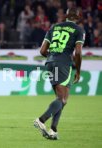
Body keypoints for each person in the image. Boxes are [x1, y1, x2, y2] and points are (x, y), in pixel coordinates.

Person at [33, 8, 85, 140]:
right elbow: (78, 53)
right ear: (78, 17)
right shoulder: (79, 30)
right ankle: (41, 120)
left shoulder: (54, 27)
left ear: (66, 16)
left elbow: (42, 50)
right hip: (63, 64)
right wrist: (78, 71)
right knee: (61, 99)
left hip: (50, 63)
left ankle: (53, 130)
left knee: (62, 100)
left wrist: (52, 58)